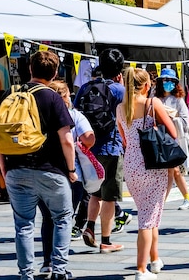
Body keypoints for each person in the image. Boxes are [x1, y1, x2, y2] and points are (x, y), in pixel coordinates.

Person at [0, 51, 77, 280]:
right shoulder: (52, 97)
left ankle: (26, 274)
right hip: (50, 170)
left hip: (16, 171)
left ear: (30, 69)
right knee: (62, 217)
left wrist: (4, 168)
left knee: (23, 225)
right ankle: (59, 270)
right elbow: (67, 140)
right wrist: (71, 170)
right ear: (54, 73)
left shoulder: (9, 94)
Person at [117, 67, 177, 280]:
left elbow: (125, 138)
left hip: (131, 162)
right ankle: (141, 269)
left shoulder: (120, 107)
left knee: (149, 214)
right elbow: (173, 132)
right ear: (145, 85)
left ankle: (155, 259)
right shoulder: (153, 103)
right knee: (146, 219)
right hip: (152, 162)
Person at [38, 80, 95, 278]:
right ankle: (59, 267)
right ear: (63, 97)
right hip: (69, 174)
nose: (70, 98)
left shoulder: (38, 110)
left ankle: (47, 263)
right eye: (68, 95)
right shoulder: (73, 115)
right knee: (63, 219)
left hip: (40, 171)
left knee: (47, 219)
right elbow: (89, 137)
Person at [78, 48, 126, 254]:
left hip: (88, 148)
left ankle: (89, 226)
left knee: (95, 192)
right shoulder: (119, 90)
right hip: (111, 147)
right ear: (119, 70)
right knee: (110, 196)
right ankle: (106, 241)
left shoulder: (85, 87)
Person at [154, 68, 189, 211]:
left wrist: (171, 118)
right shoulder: (155, 98)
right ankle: (187, 198)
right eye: (165, 80)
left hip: (173, 139)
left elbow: (184, 121)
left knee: (172, 170)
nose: (168, 83)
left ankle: (162, 201)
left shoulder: (178, 100)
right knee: (174, 171)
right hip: (160, 138)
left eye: (171, 81)